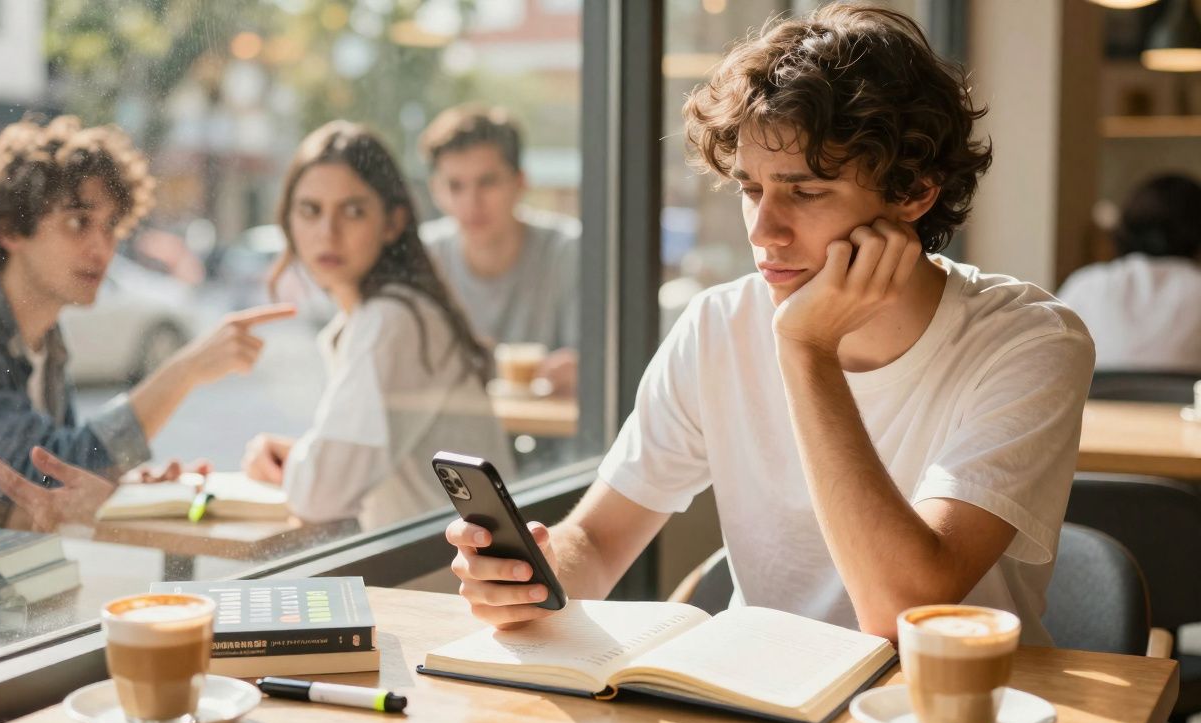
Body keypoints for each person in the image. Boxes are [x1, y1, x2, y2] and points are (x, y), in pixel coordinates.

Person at [444, 4, 1094, 645]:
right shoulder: (718, 324)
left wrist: (807, 350)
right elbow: (602, 538)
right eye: (752, 190)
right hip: (766, 701)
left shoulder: (1030, 340)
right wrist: (536, 578)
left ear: (914, 192)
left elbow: (904, 612)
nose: (763, 231)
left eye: (805, 192)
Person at [0, 115, 293, 527]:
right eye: (78, 222)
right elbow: (52, 477)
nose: (103, 249)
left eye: (111, 226)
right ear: (9, 229)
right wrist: (186, 369)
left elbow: (67, 480)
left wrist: (123, 485)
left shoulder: (46, 337)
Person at [239, 121, 514, 531]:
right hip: (434, 565)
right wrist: (300, 455)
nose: (326, 233)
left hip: (444, 580)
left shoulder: (392, 321)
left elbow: (320, 496)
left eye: (353, 211)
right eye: (310, 210)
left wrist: (300, 462)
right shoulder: (378, 316)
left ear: (392, 222)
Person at [419, 104, 580, 395]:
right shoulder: (425, 257)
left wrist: (581, 367)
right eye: (455, 186)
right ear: (436, 191)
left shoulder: (568, 252)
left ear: (520, 182)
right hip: (454, 435)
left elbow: (596, 361)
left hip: (552, 435)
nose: (472, 202)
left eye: (488, 182)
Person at [1057, 174, 1201, 372]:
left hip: (1094, 402)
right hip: (1183, 401)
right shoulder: (1195, 285)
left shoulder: (1086, 284)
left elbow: (1052, 358)